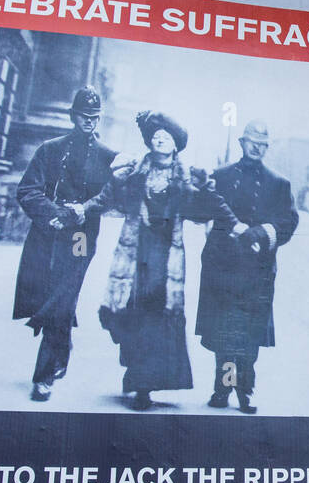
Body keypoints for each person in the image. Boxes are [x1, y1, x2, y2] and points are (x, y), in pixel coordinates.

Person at [96, 111, 241, 411]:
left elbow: (210, 206)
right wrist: (81, 210)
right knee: (131, 315)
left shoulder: (186, 178)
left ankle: (144, 387)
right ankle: (137, 377)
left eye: (167, 136)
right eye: (155, 136)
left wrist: (235, 223)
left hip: (165, 258)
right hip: (136, 254)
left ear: (176, 145)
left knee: (155, 318)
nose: (159, 139)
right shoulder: (134, 172)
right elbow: (107, 198)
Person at [13, 87, 116, 401]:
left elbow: (111, 197)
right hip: (47, 232)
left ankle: (43, 377)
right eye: (84, 116)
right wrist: (53, 214)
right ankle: (63, 345)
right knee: (51, 294)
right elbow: (27, 190)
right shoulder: (50, 149)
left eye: (94, 117)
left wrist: (80, 213)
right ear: (74, 116)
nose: (89, 122)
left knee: (61, 295)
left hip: (81, 236)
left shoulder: (107, 155)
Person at [195, 120, 299, 414]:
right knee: (224, 330)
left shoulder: (279, 183)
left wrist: (263, 233)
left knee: (250, 332)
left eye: (263, 144)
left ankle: (245, 391)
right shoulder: (221, 177)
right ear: (242, 143)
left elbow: (289, 222)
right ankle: (222, 388)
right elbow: (204, 211)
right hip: (223, 265)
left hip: (258, 269)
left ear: (267, 147)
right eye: (252, 141)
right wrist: (199, 190)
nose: (257, 147)